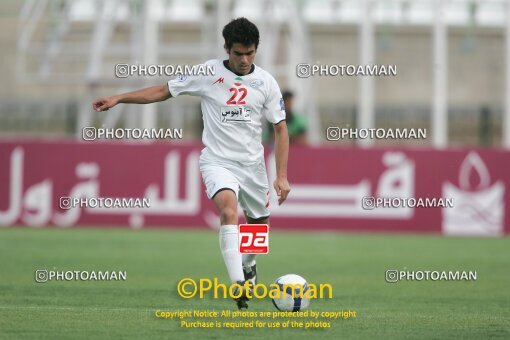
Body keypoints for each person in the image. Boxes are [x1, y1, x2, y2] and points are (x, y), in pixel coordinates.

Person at [92, 17, 290, 310]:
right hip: (217, 160)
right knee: (228, 211)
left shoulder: (267, 82)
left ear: (256, 50)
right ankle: (238, 283)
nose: (245, 60)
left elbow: (281, 128)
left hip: (252, 166)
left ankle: (249, 266)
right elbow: (164, 90)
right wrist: (119, 98)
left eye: (250, 53)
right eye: (238, 53)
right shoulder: (207, 72)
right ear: (226, 48)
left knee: (259, 224)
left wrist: (282, 176)